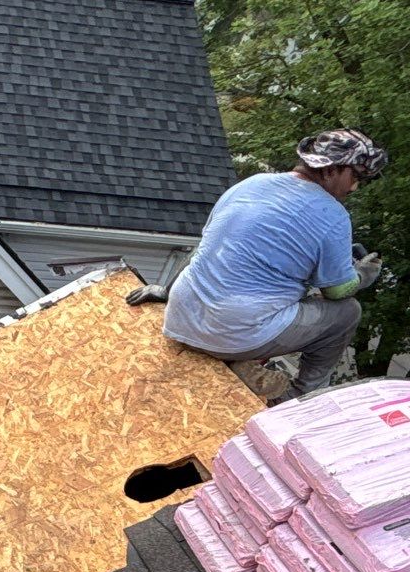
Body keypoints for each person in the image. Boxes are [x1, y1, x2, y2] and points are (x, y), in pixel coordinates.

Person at [162, 130, 389, 399]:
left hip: (180, 317)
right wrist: (362, 275)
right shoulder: (333, 215)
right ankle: (300, 396)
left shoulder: (251, 184)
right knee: (348, 312)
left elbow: (206, 247)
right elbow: (336, 292)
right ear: (331, 170)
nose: (354, 188)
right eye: (355, 177)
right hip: (227, 336)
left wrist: (164, 291)